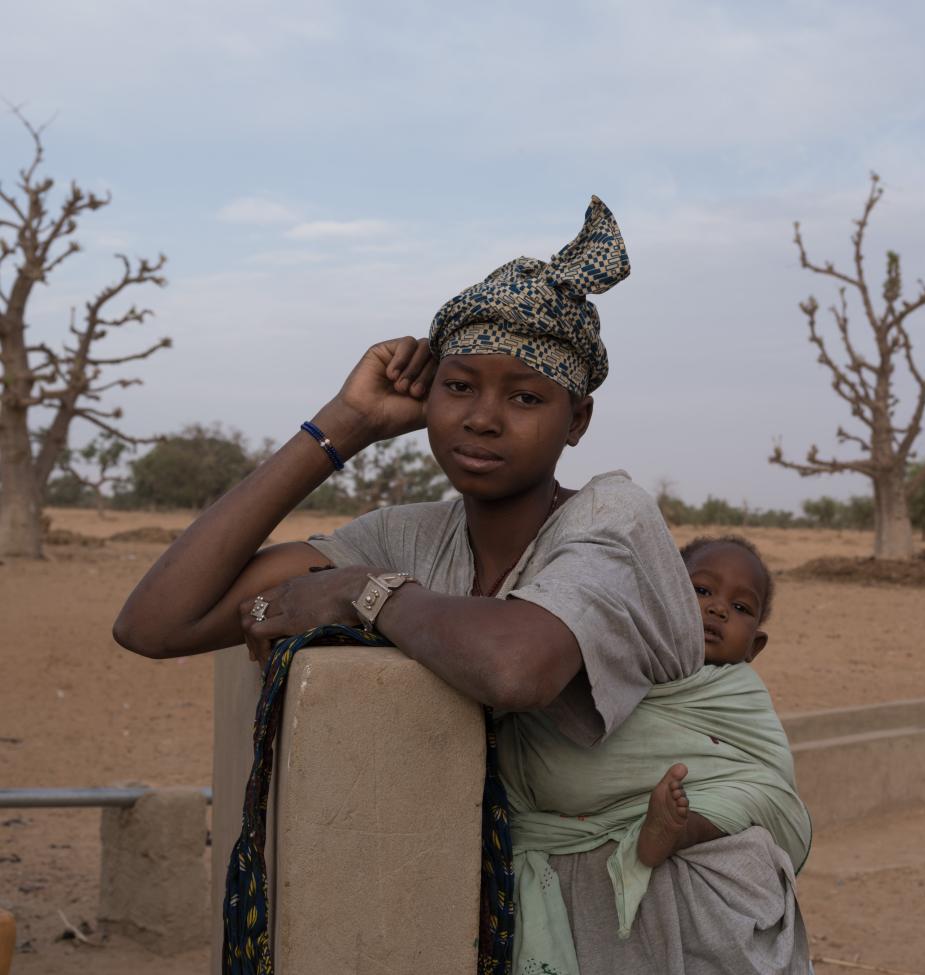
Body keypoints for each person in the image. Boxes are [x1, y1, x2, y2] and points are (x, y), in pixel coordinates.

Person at [114, 197, 810, 975]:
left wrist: (359, 593)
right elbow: (155, 623)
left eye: (525, 397)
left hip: (685, 920)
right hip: (539, 919)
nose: (482, 419)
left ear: (577, 419)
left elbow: (517, 667)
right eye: (459, 387)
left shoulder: (614, 523)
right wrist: (340, 426)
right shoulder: (410, 537)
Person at [636, 534, 783, 869]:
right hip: (614, 790)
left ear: (754, 647)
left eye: (740, 607)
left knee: (758, 797)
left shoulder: (743, 693)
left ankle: (678, 832)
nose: (718, 609)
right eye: (701, 591)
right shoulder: (634, 658)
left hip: (700, 800)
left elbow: (773, 772)